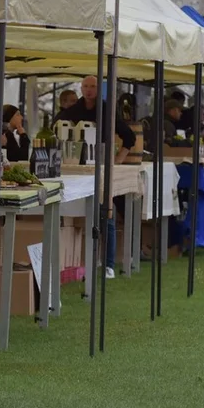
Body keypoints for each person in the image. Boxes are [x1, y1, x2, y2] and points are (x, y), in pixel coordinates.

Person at [56, 75, 136, 277]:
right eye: (85, 86)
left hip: (101, 168)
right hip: (78, 170)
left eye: (93, 86)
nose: (89, 90)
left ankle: (108, 263)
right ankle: (84, 260)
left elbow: (129, 136)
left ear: (99, 89)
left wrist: (117, 159)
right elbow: (56, 126)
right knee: (84, 213)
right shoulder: (74, 110)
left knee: (106, 211)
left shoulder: (107, 109)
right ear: (81, 88)